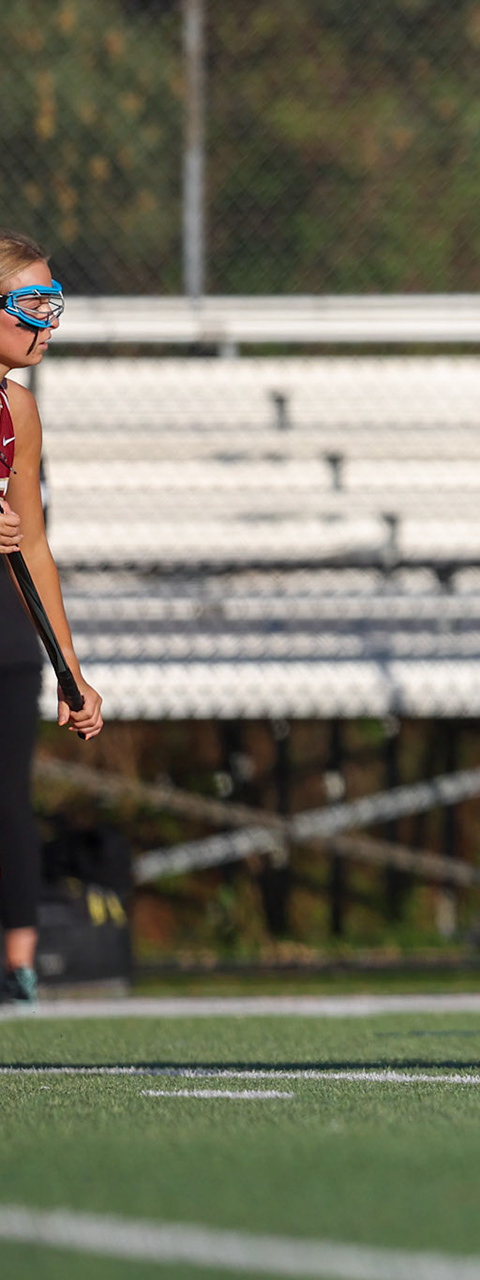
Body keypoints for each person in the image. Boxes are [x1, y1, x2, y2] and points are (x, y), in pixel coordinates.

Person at [0, 231, 105, 1010]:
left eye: (54, 303)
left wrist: (71, 670)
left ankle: (19, 968)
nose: (48, 323)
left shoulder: (18, 411)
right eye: (32, 304)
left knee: (9, 799)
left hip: (4, 635)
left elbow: (33, 544)